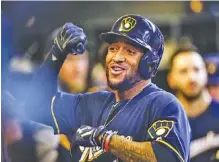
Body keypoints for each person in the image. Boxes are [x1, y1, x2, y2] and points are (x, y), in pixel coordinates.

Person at [9, 14, 191, 162]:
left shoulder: (163, 104)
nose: (117, 57)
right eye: (113, 48)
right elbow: (35, 107)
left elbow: (167, 158)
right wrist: (56, 54)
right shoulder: (91, 103)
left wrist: (105, 139)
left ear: (149, 62)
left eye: (129, 51)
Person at [167, 46, 219, 162]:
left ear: (206, 73)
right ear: (171, 79)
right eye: (183, 71)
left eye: (196, 69)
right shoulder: (161, 124)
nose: (191, 78)